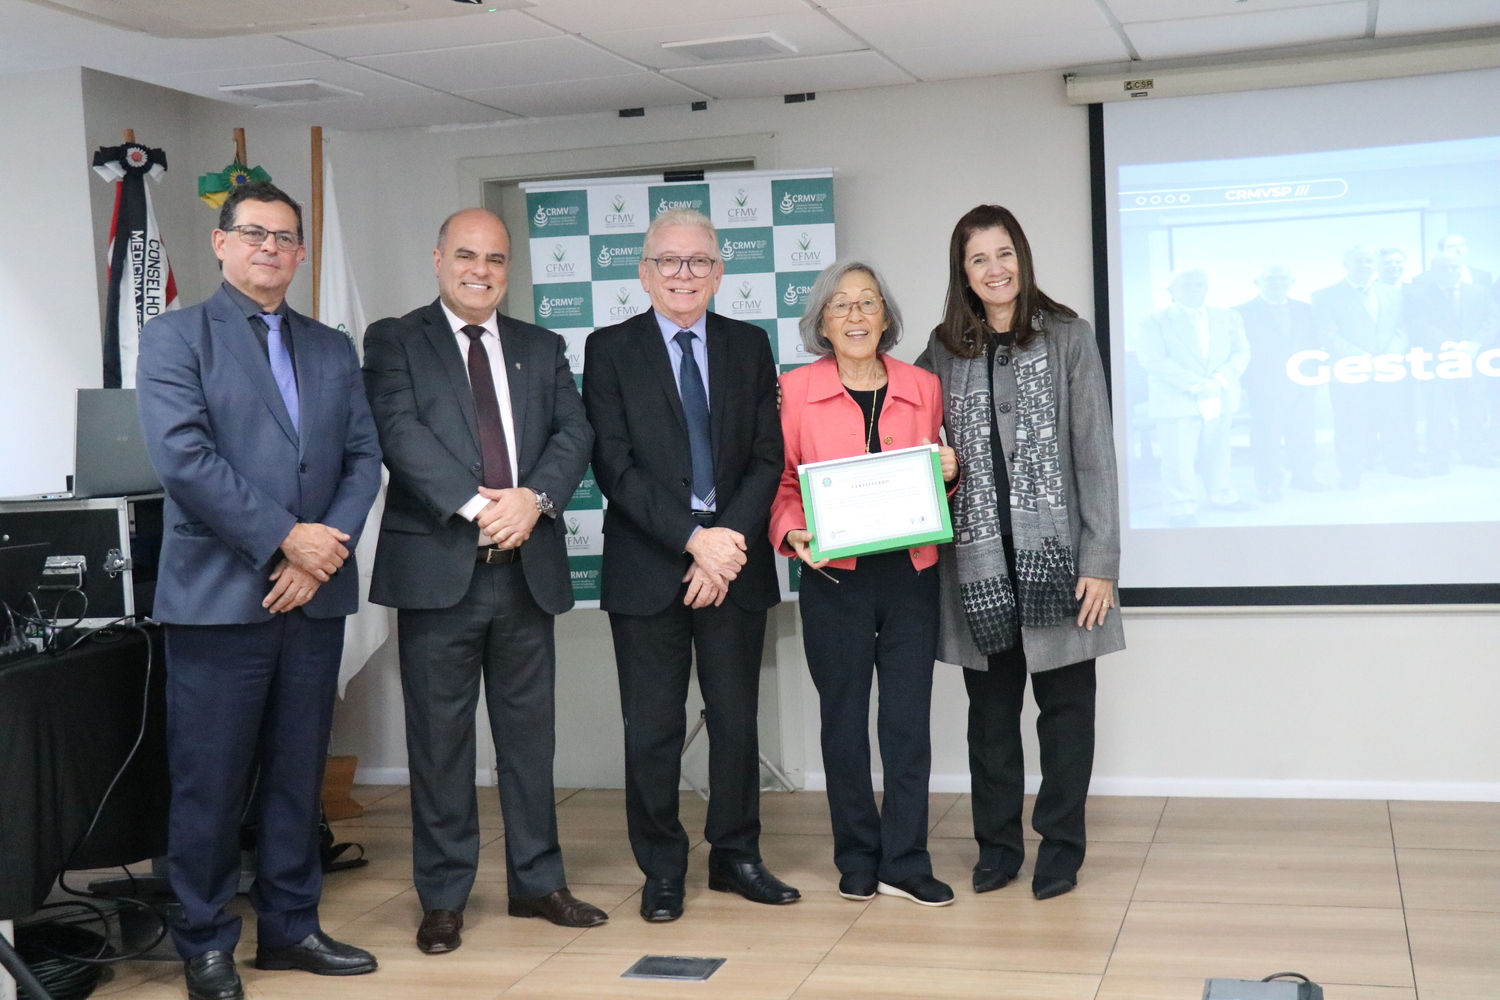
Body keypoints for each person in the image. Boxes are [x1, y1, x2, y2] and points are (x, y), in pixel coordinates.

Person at [136, 182, 382, 1000]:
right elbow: (184, 458)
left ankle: (291, 928)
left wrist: (318, 553)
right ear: (221, 243)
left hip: (312, 597)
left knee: (296, 775)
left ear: (301, 252)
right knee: (209, 784)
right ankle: (205, 941)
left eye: (283, 237)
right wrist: (285, 538)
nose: (269, 248)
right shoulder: (175, 337)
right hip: (218, 600)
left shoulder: (331, 347)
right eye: (253, 233)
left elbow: (362, 459)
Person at [362, 209, 605, 952]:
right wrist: (481, 509)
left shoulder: (541, 345)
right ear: (438, 259)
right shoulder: (395, 339)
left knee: (530, 740)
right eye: (466, 255)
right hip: (439, 572)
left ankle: (538, 883)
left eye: (496, 259)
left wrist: (535, 500)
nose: (481, 270)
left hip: (525, 571)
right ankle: (443, 897)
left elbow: (575, 432)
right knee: (440, 744)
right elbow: (399, 433)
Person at [582, 208, 795, 922]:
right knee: (652, 729)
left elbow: (767, 455)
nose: (683, 273)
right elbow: (613, 465)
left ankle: (736, 856)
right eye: (668, 261)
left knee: (736, 721)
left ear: (718, 272)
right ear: (644, 273)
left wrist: (722, 542)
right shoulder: (608, 349)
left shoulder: (749, 344)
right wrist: (692, 540)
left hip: (734, 564)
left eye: (698, 260)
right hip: (648, 567)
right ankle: (662, 868)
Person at [916, 205, 1124, 901]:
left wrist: (1100, 561)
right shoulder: (943, 350)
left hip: (1059, 561)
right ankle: (998, 849)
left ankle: (1060, 850)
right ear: (963, 273)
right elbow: (907, 430)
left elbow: (1095, 456)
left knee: (1066, 716)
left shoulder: (1068, 336)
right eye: (978, 259)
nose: (995, 269)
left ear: (1022, 257)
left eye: (1003, 254)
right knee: (991, 720)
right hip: (979, 567)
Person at [771, 261, 958, 907]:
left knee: (907, 723)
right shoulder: (792, 390)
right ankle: (856, 855)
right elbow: (782, 480)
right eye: (841, 305)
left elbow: (937, 474)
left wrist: (951, 471)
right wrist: (791, 531)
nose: (855, 315)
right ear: (822, 322)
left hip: (910, 576)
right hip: (835, 578)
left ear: (886, 317)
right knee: (843, 721)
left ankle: (905, 860)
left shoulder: (923, 386)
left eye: (868, 302)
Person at [1136, 268, 1252, 526]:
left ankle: (1222, 495)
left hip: (1220, 393)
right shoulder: (1154, 321)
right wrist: (1197, 385)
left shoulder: (1229, 317)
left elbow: (1241, 352)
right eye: (1187, 285)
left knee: (1219, 451)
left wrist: (1218, 380)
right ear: (1171, 291)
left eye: (1200, 284)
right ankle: (1181, 507)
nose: (1195, 289)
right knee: (1178, 458)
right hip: (1178, 398)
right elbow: (1152, 359)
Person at [1311, 245, 1417, 488]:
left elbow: (1401, 328)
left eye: (1369, 261)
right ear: (1345, 265)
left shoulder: (1392, 292)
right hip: (1349, 370)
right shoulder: (1325, 295)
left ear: (1376, 264)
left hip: (1388, 368)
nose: (1365, 265)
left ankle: (1399, 465)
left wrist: (1389, 356)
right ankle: (1351, 473)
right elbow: (1327, 335)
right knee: (1350, 424)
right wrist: (1366, 358)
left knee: (1394, 419)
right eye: (1358, 260)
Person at [1403, 251, 1500, 472]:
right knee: (1438, 412)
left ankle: (1474, 453)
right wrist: (1450, 346)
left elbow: (1494, 319)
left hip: (1473, 360)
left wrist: (1474, 344)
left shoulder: (1479, 292)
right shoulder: (1418, 294)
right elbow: (1419, 324)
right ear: (1432, 270)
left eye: (1454, 266)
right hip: (1437, 362)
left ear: (1461, 267)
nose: (1449, 271)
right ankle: (1439, 458)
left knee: (1473, 409)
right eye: (1443, 267)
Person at [1235, 265, 1323, 501]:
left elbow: (1314, 343)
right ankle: (1268, 485)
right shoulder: (1241, 312)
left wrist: (1315, 375)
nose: (1278, 283)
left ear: (1292, 282)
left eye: (1284, 278)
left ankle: (1303, 476)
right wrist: (1249, 384)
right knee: (1267, 438)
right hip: (1265, 387)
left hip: (1303, 382)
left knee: (1303, 433)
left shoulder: (1305, 310)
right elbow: (1239, 350)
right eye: (1272, 278)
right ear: (1257, 282)